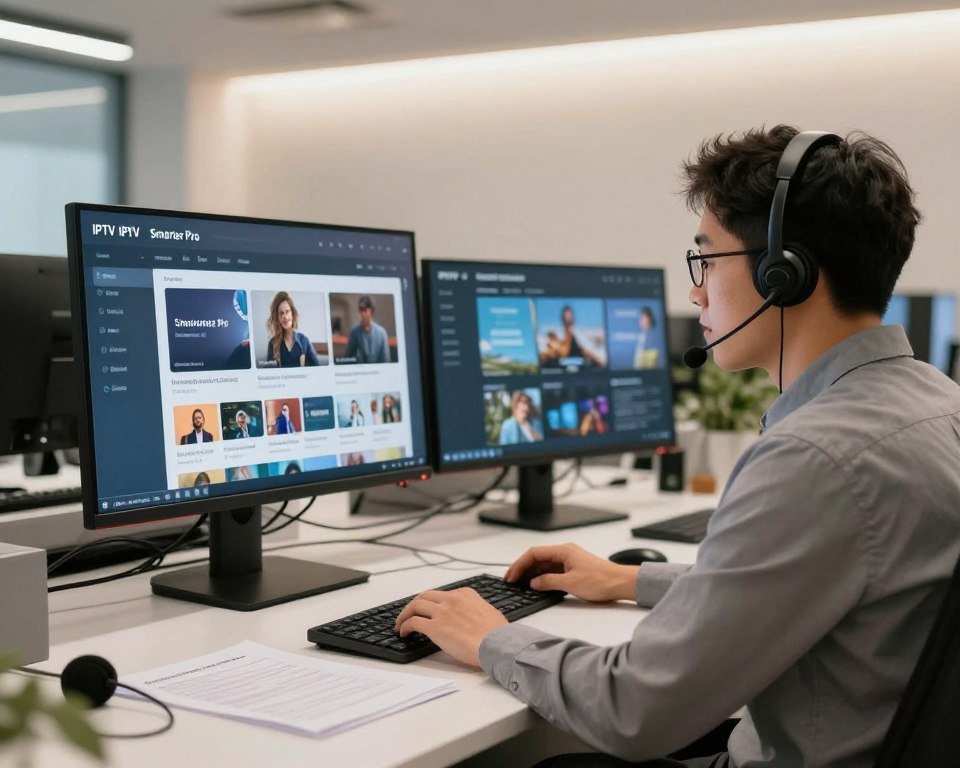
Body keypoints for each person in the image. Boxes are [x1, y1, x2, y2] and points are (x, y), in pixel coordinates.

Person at [394, 126, 960, 767]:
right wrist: (631, 579)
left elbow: (634, 710)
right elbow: (820, 577)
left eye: (706, 260)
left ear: (784, 273)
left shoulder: (816, 457)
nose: (695, 292)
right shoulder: (937, 404)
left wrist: (492, 640)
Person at [265, 291, 322, 367]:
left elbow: (317, 367)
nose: (284, 316)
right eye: (281, 313)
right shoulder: (272, 343)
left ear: (292, 313)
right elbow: (268, 374)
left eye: (287, 311)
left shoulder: (304, 340)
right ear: (277, 317)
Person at [344, 295, 389, 363]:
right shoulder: (354, 333)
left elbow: (385, 360)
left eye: (364, 309)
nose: (362, 313)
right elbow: (348, 357)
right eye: (360, 309)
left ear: (371, 310)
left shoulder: (382, 333)